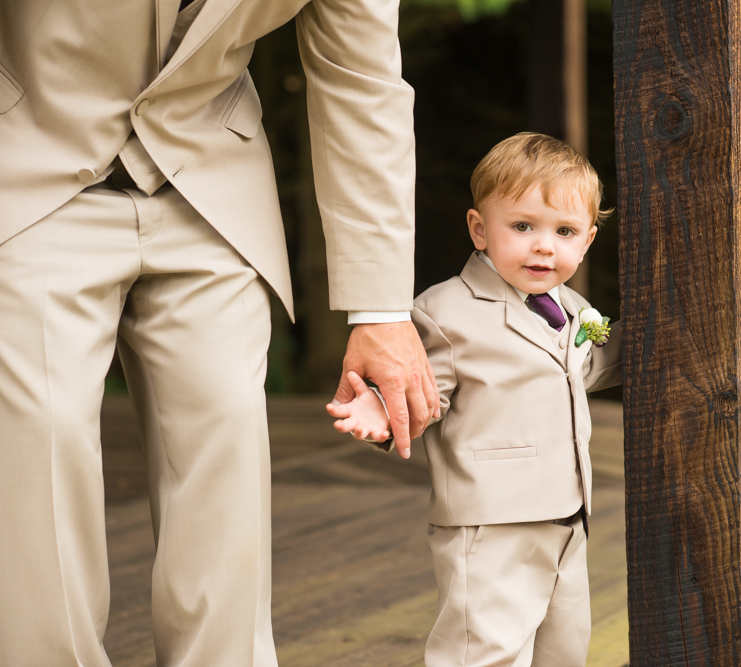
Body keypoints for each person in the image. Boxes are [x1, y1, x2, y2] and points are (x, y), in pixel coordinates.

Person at [0, 1, 437, 665]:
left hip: (209, 176)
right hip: (27, 158)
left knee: (225, 430)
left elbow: (361, 77)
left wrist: (381, 310)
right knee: (40, 435)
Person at [330, 132, 622, 666]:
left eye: (564, 232)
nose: (543, 245)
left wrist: (657, 341)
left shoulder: (574, 308)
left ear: (587, 243)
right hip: (490, 521)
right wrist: (379, 405)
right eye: (523, 226)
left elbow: (583, 366)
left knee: (564, 650)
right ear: (479, 229)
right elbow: (424, 386)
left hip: (568, 514)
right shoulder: (443, 311)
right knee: (484, 651)